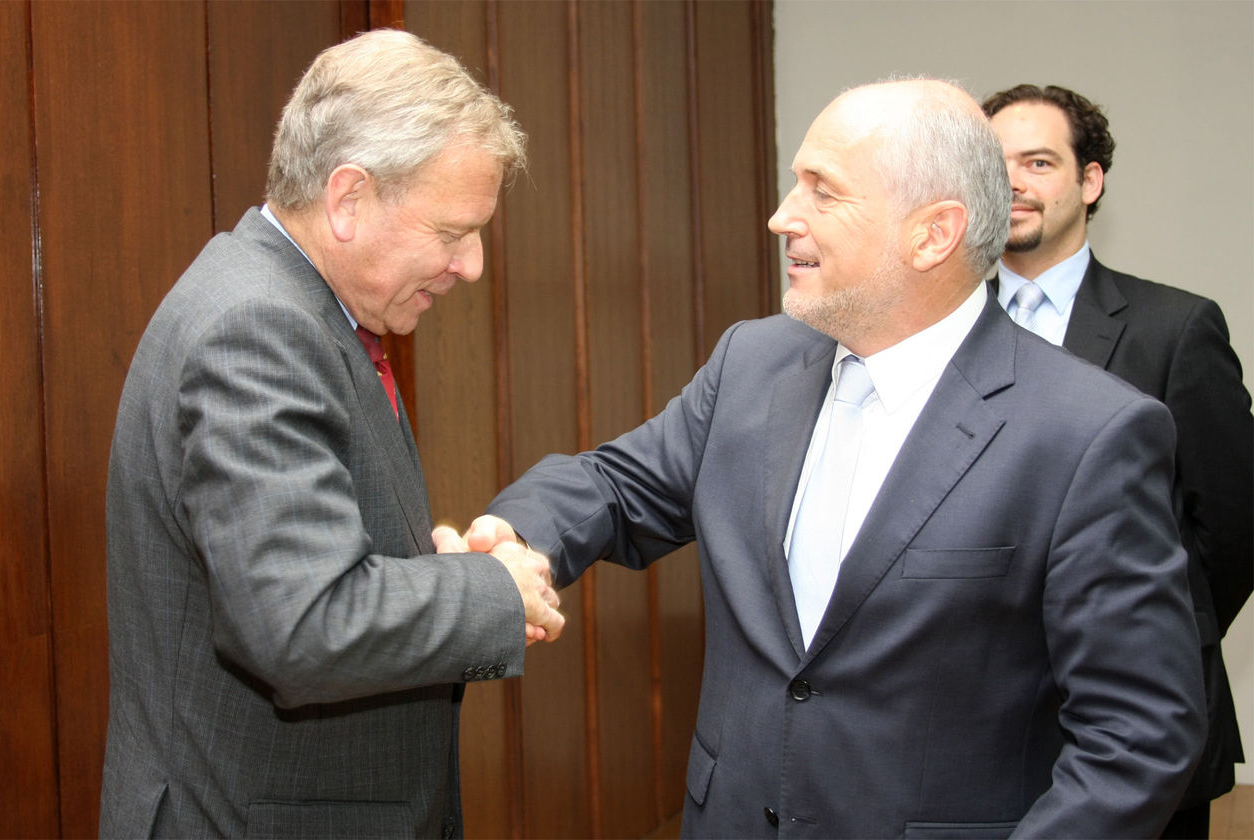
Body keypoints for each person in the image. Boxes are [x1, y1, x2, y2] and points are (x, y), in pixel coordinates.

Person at [461, 79, 1206, 836]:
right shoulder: (753, 362)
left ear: (932, 233)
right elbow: (618, 486)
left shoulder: (1087, 434)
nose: (783, 216)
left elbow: (1139, 738)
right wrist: (520, 539)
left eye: (823, 191)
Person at [100, 29, 563, 839]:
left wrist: (427, 575)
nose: (473, 265)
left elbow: (299, 561)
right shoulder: (256, 328)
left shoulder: (309, 310)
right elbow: (304, 622)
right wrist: (493, 592)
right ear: (348, 199)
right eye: (453, 232)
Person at [981, 82, 1253, 839]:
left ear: (1089, 180)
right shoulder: (938, 332)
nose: (1012, 183)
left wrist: (1149, 627)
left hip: (1137, 719)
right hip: (975, 729)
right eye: (993, 162)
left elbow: (1232, 528)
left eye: (1038, 161)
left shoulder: (1176, 328)